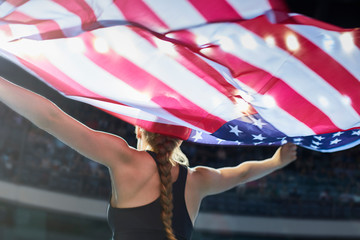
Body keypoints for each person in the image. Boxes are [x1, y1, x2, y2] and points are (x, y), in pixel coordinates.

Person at [0, 76, 297, 240]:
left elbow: (51, 117)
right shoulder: (198, 180)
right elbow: (243, 173)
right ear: (182, 138)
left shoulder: (126, 159)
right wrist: (276, 161)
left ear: (139, 129)